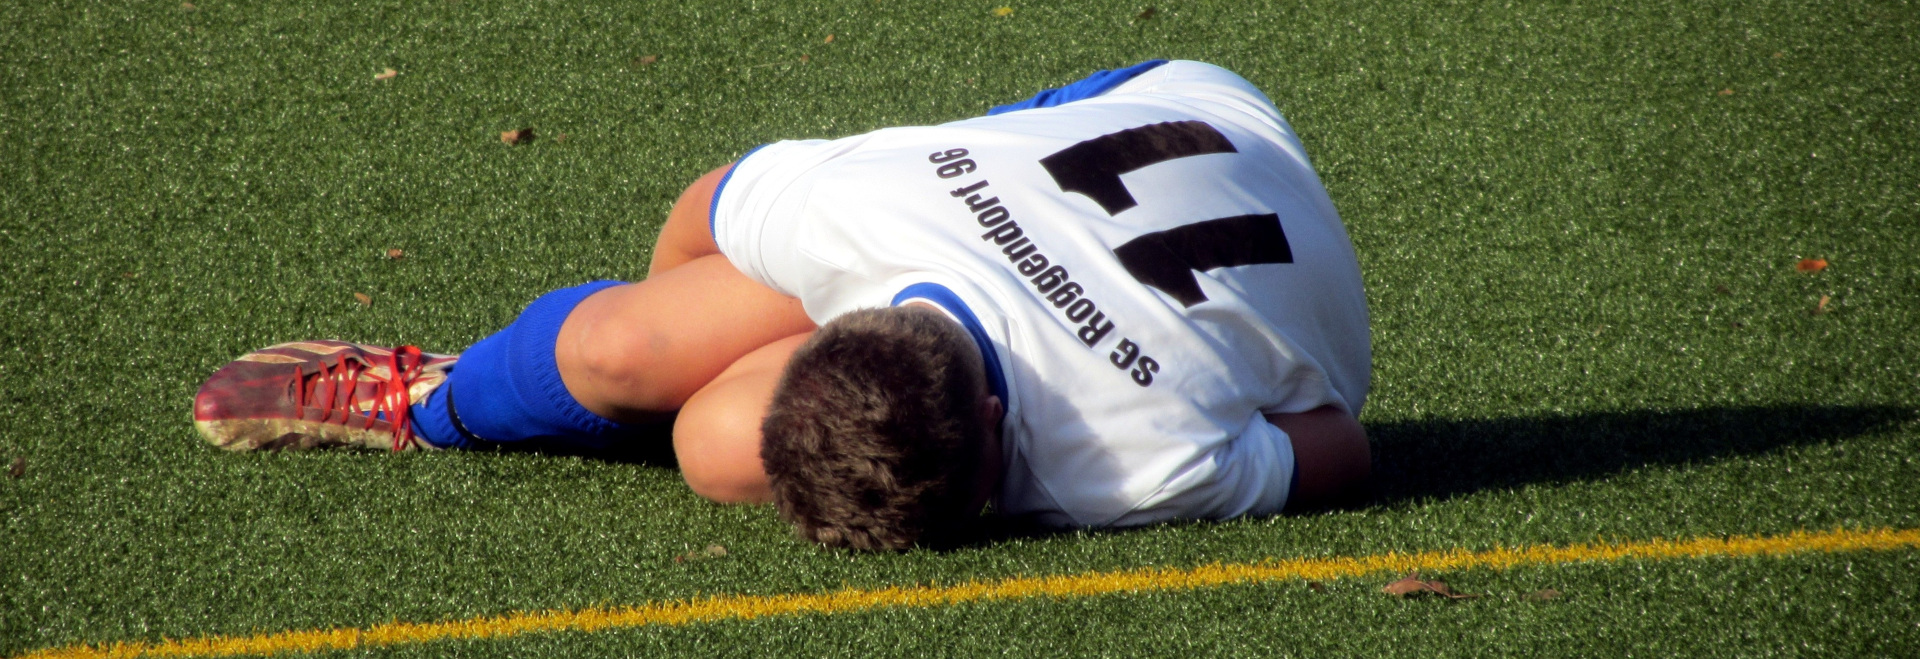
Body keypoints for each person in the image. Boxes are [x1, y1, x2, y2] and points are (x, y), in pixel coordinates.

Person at [194, 60, 1373, 550]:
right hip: (1171, 107)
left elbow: (1339, 442)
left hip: (1214, 135)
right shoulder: (846, 207)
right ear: (831, 315)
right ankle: (440, 394)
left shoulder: (1136, 462)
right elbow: (708, 211)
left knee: (712, 446)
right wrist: (664, 342)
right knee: (622, 343)